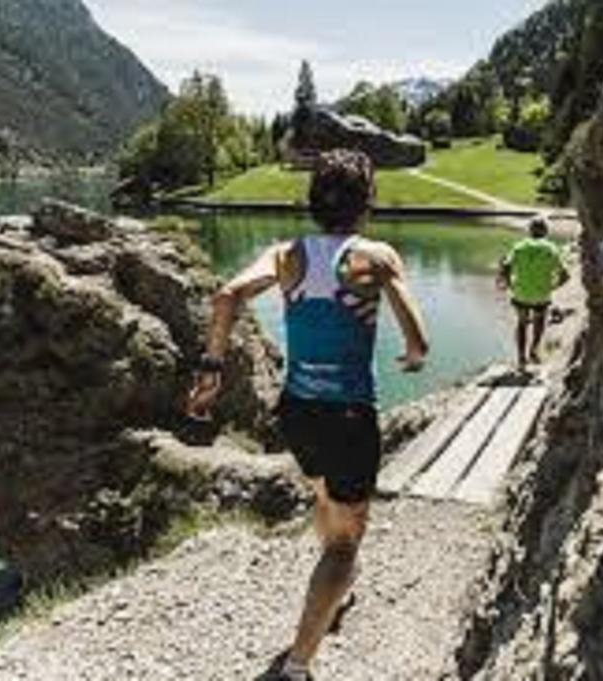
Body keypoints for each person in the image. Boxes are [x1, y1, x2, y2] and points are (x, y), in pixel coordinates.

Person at [186, 149, 429, 681]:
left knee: (324, 493)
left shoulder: (285, 254)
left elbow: (227, 296)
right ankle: (297, 665)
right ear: (367, 202)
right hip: (348, 415)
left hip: (296, 412)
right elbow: (419, 342)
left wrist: (211, 370)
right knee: (346, 542)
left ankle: (333, 587)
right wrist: (411, 357)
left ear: (314, 201)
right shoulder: (377, 257)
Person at [497, 216, 569, 369]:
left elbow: (505, 268)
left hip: (521, 294)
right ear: (546, 231)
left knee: (522, 323)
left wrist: (510, 285)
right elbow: (565, 275)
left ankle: (521, 358)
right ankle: (534, 350)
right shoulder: (551, 248)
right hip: (542, 295)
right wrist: (552, 287)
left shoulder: (518, 247)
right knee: (539, 321)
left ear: (529, 230)